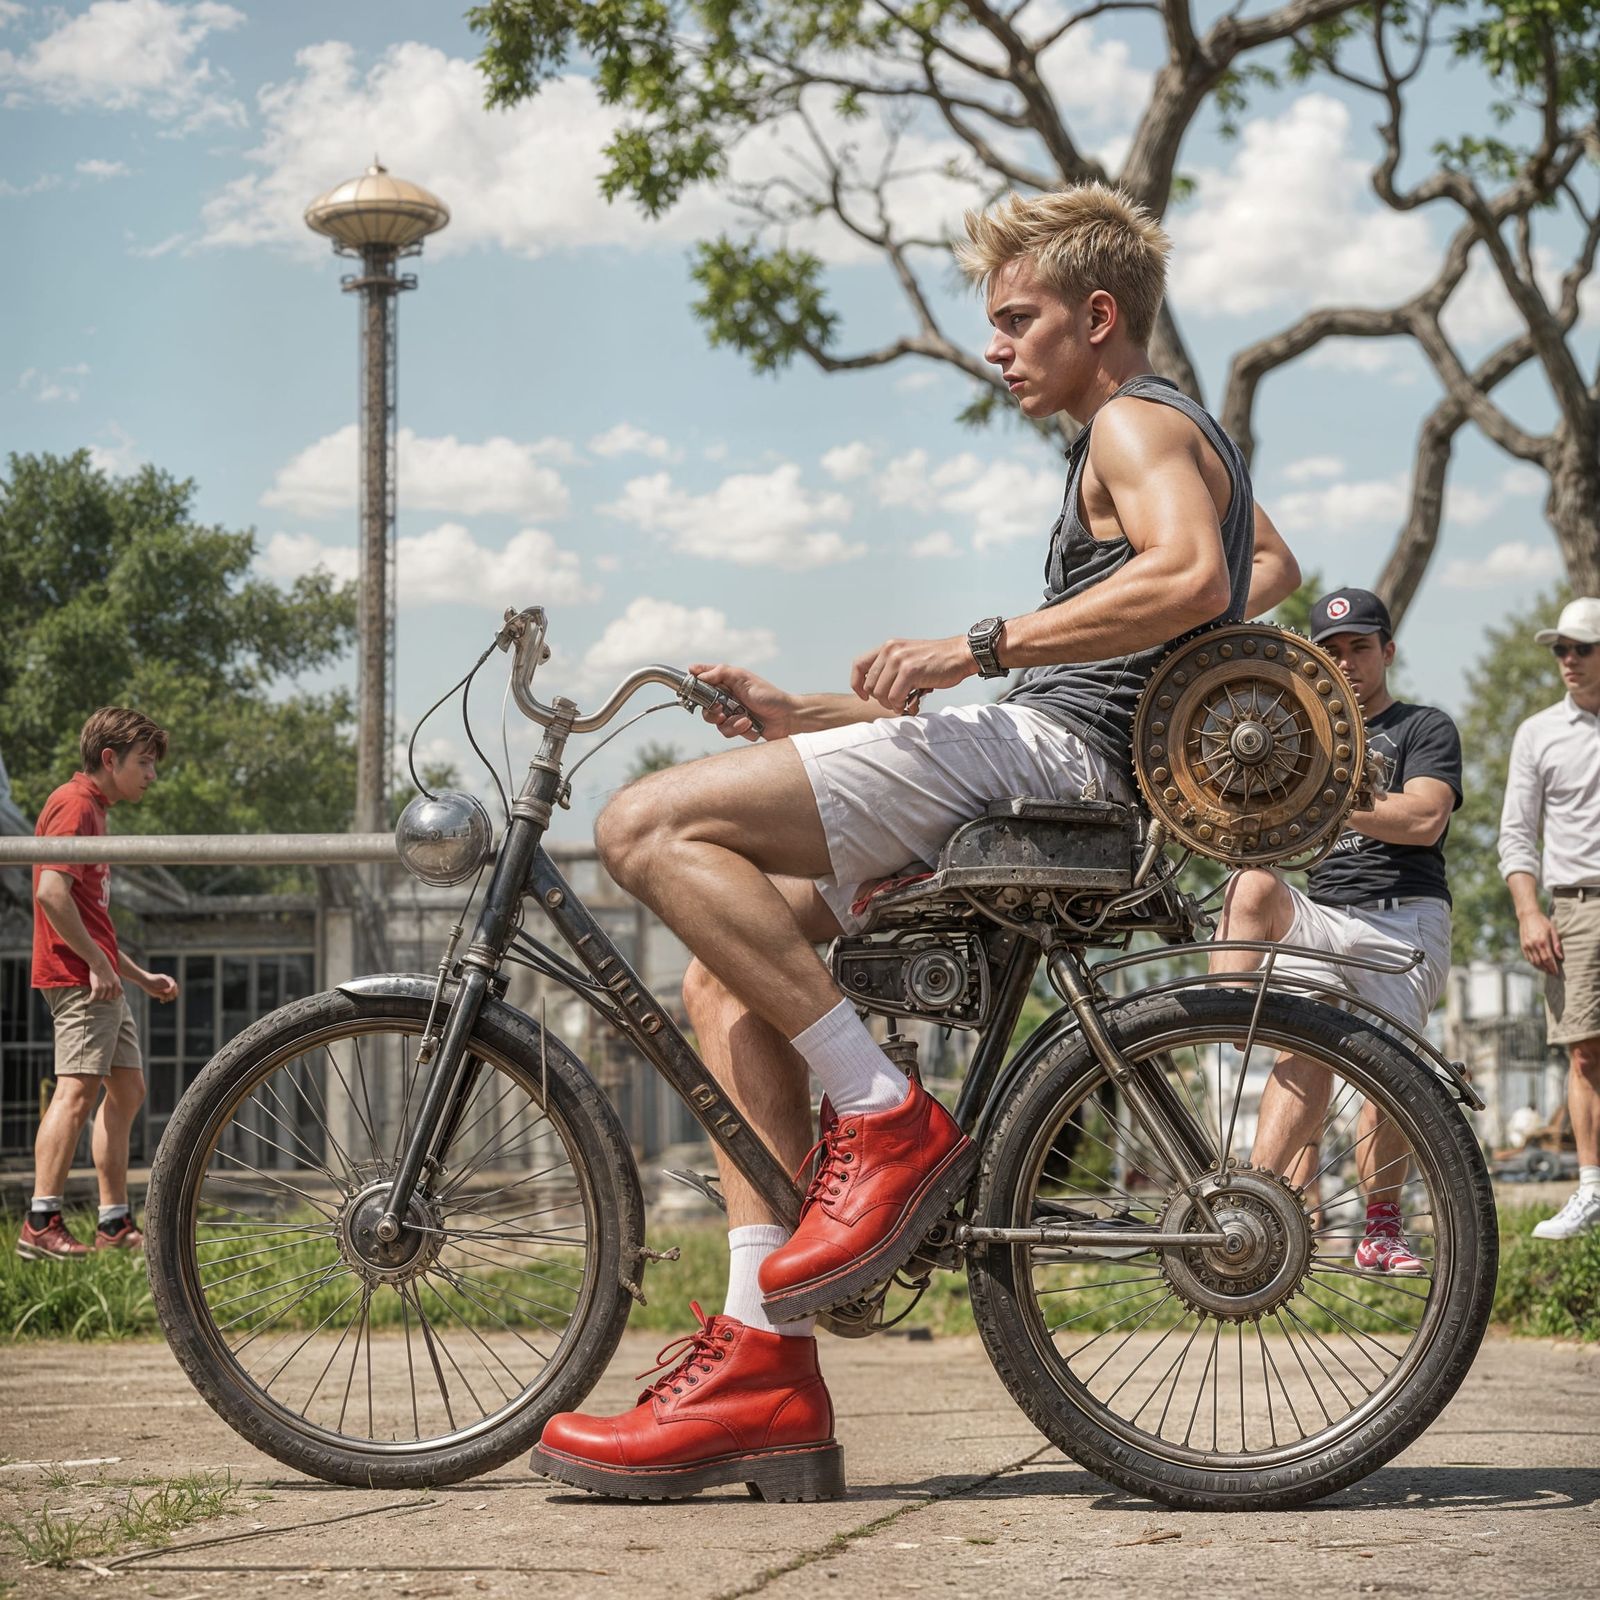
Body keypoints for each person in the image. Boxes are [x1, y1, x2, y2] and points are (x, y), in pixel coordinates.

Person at [530, 182, 1301, 1501]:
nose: (996, 346)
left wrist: (983, 641)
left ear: (1098, 316)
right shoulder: (1162, 436)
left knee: (643, 820)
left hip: (1053, 768)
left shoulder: (1129, 416)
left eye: (1019, 318)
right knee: (726, 975)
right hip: (1051, 749)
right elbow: (1261, 562)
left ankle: (883, 1118)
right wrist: (811, 715)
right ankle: (762, 1362)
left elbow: (1201, 577)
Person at [1212, 587, 1462, 1275]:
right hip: (1324, 914)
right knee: (1252, 886)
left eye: (1359, 647)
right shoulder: (1296, 738)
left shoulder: (1424, 727)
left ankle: (1381, 1229)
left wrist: (1329, 790)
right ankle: (1250, 1211)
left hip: (1402, 915)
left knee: (1387, 1069)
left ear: (1387, 650)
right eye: (1332, 650)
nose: (1346, 661)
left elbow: (1422, 820)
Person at [16, 708, 179, 1261]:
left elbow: (91, 919)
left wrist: (135, 975)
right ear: (109, 759)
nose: (152, 776)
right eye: (145, 763)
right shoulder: (74, 803)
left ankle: (112, 1222)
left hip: (101, 980)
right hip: (77, 978)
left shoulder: (96, 811)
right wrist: (99, 966)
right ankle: (41, 1219)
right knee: (76, 1090)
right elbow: (50, 895)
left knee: (128, 1090)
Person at [1498, 595, 1600, 1241]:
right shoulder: (1539, 732)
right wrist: (1530, 912)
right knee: (1584, 1053)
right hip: (1577, 906)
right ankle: (1591, 1191)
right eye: (1559, 648)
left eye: (1579, 648)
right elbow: (1515, 835)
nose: (1566, 659)